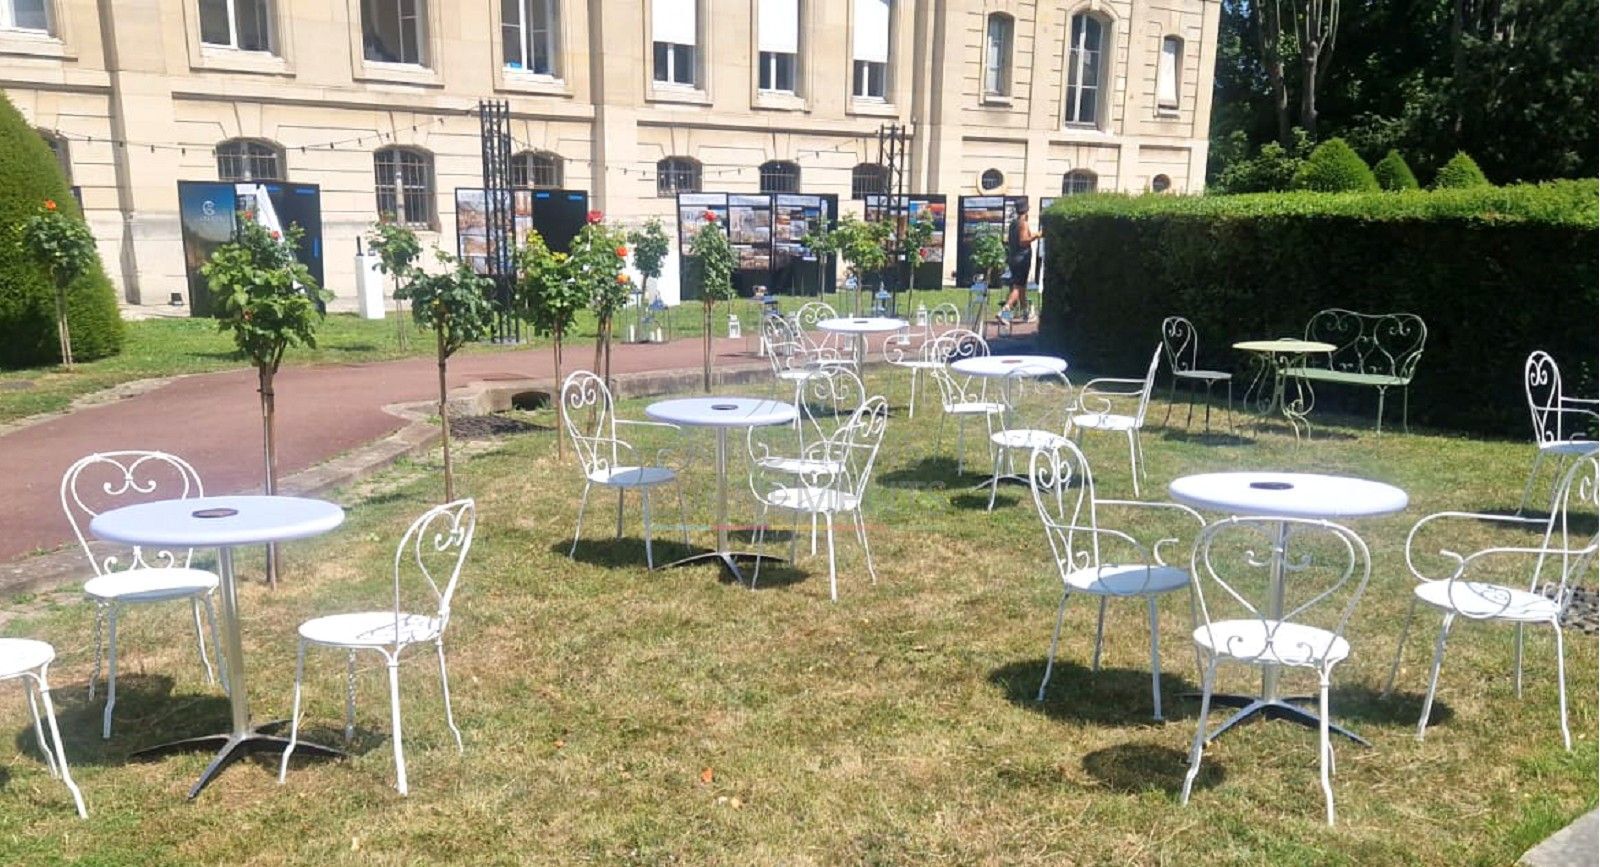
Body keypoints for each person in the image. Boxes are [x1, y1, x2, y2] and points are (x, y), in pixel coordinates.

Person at [999, 200, 1038, 321]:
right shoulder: (1023, 224)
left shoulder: (1013, 224)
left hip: (1013, 257)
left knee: (1021, 286)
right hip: (1022, 259)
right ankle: (1004, 311)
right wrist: (1037, 235)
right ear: (1026, 210)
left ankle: (1026, 312)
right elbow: (1023, 241)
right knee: (1017, 286)